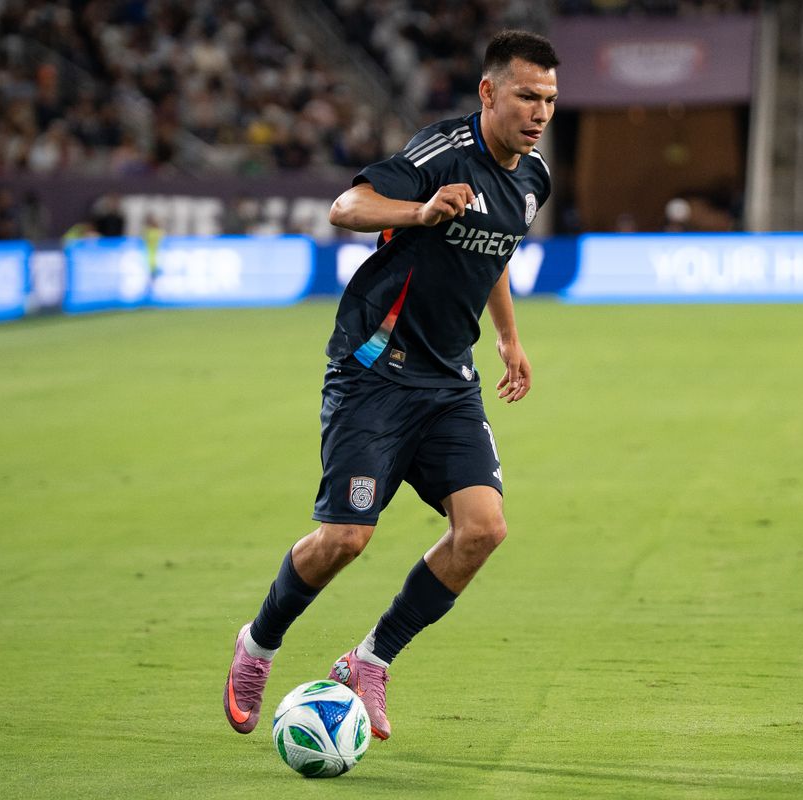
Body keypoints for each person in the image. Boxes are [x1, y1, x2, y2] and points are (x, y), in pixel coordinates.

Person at [224, 30, 559, 742]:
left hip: (448, 381)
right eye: (527, 95)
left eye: (551, 100)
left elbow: (494, 247)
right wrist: (420, 210)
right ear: (489, 92)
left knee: (483, 529)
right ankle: (257, 644)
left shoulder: (533, 178)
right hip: (375, 369)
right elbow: (346, 209)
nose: (539, 112)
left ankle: (369, 661)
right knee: (344, 538)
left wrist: (508, 337)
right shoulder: (441, 152)